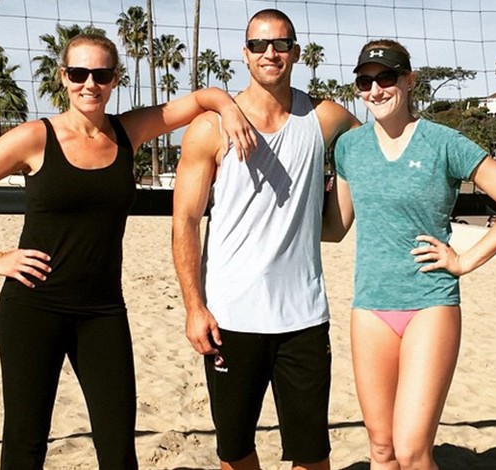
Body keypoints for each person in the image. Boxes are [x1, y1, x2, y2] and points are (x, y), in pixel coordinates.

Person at [0, 33, 256, 470]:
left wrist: (228, 106)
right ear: (63, 78)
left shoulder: (129, 132)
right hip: (33, 307)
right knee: (26, 444)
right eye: (79, 73)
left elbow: (200, 98)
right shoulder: (35, 136)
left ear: (115, 79)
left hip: (103, 312)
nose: (90, 83)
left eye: (101, 74)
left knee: (118, 446)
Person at [322, 39, 496, 469]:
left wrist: (464, 261)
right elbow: (333, 228)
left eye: (386, 78)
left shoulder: (444, 142)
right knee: (381, 450)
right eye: (365, 82)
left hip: (430, 303)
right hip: (369, 307)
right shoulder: (350, 147)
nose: (375, 90)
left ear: (408, 80)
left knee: (412, 450)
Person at [172, 9, 360, 470]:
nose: (269, 53)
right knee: (236, 454)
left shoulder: (326, 118)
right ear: (245, 54)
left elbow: (374, 154)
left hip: (303, 317)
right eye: (259, 45)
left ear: (296, 52)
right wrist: (194, 307)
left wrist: (338, 207)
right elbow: (185, 224)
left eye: (280, 44)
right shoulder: (209, 127)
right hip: (230, 317)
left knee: (313, 457)